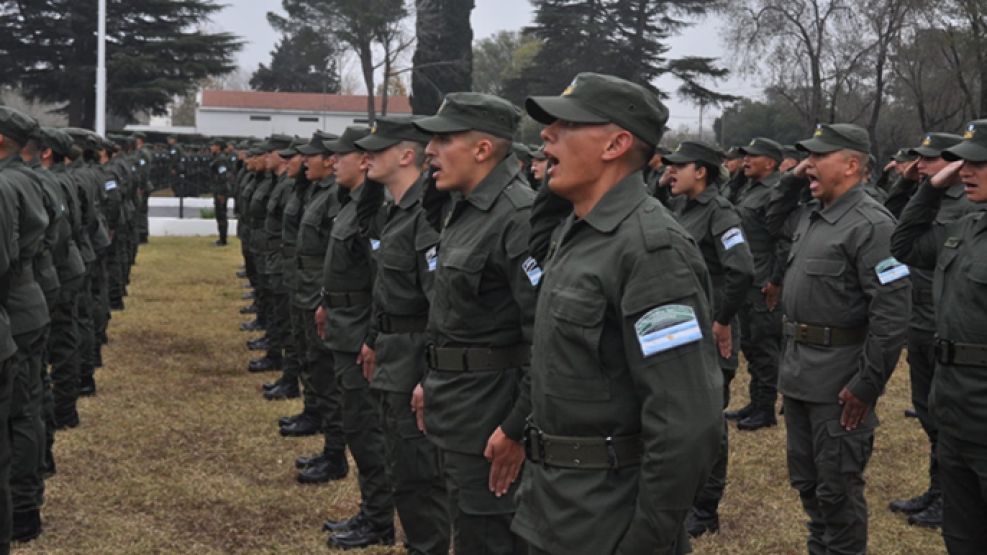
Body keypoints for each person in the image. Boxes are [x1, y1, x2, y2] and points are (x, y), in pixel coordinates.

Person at [511, 72, 722, 555]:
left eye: (565, 124)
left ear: (616, 144)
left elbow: (685, 423)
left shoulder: (651, 249)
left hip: (608, 522)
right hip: (556, 505)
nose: (546, 135)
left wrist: (645, 541)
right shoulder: (578, 230)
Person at [766, 123, 909, 555]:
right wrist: (797, 177)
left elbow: (892, 314)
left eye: (819, 156)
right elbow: (767, 218)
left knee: (838, 491)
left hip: (839, 379)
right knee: (808, 484)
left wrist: (867, 385)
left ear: (851, 165)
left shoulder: (871, 225)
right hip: (798, 374)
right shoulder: (813, 214)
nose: (809, 163)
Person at [411, 92, 538, 555]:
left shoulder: (518, 217)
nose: (429, 151)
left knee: (488, 536)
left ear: (483, 149)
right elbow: (458, 313)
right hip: (458, 403)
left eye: (444, 139)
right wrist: (433, 374)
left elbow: (543, 334)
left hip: (491, 414)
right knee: (466, 526)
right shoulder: (464, 209)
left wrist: (517, 426)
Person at [355, 116, 452, 554]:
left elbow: (440, 307)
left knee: (420, 479)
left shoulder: (426, 217)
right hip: (393, 356)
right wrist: (374, 337)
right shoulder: (394, 211)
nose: (366, 157)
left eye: (377, 149)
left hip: (414, 358)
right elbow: (387, 290)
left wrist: (429, 377)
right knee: (402, 471)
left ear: (406, 155)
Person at [890, 119, 987, 554]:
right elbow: (904, 244)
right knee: (962, 536)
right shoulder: (967, 227)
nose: (966, 171)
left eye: (979, 163)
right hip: (954, 408)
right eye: (963, 163)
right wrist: (929, 189)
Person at [660, 141, 755, 538]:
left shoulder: (720, 212)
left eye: (678, 167)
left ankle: (706, 508)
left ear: (700, 171)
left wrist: (722, 321)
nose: (670, 173)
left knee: (709, 424)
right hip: (681, 329)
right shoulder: (680, 208)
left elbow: (742, 270)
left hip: (709, 332)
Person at [315, 124, 395, 549]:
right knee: (357, 425)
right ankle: (371, 510)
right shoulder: (353, 205)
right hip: (344, 327)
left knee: (366, 429)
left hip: (360, 332)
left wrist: (373, 337)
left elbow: (381, 280)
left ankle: (379, 519)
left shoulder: (375, 210)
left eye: (340, 155)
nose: (333, 162)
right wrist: (327, 300)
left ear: (363, 160)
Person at [0, 106, 51, 543]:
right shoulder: (31, 179)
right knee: (27, 406)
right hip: (28, 299)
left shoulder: (5, 184)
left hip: (14, 308)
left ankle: (20, 509)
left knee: (17, 415)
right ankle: (25, 501)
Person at [725, 137, 787, 431]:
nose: (745, 160)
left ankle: (766, 408)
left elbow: (783, 242)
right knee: (749, 343)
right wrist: (738, 176)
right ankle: (755, 401)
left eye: (753, 156)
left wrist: (776, 281)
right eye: (744, 156)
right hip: (747, 278)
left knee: (764, 346)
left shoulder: (776, 192)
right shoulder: (747, 188)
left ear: (770, 163)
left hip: (764, 281)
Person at [208, 138, 231, 246]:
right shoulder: (217, 158)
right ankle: (221, 238)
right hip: (218, 189)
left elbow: (223, 177)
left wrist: (221, 193)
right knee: (219, 214)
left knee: (221, 214)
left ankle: (223, 239)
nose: (211, 147)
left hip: (221, 190)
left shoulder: (221, 159)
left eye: (213, 145)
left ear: (218, 147)